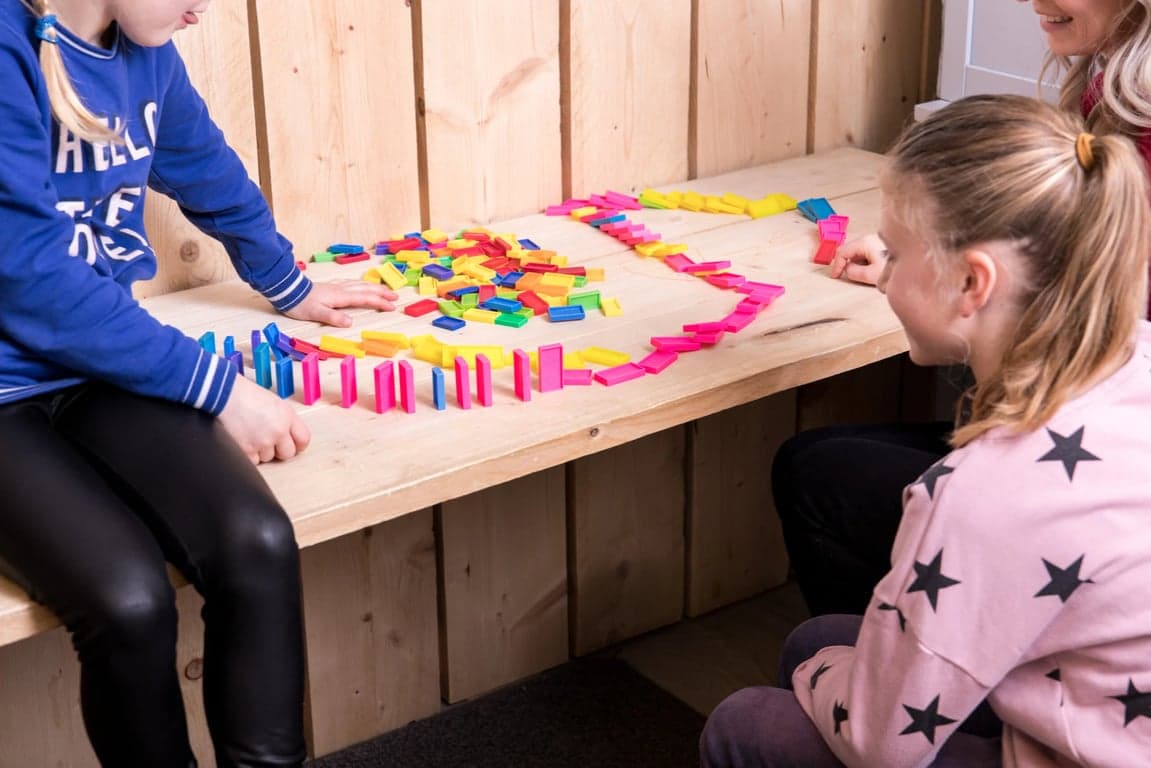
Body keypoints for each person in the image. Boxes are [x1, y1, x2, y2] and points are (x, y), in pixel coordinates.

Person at [0, 1, 398, 765]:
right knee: (129, 602)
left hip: (94, 364)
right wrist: (219, 389)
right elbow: (29, 281)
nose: (202, 8)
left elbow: (202, 163)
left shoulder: (145, 50)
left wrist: (288, 282)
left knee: (257, 541)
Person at [702, 93, 1151, 767]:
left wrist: (816, 679)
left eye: (897, 251)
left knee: (749, 721)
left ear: (972, 281)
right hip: (1108, 711)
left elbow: (877, 743)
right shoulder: (1130, 354)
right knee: (819, 636)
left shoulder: (977, 496)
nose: (886, 276)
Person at [775, 0, 1151, 618]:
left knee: (813, 474)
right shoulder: (1101, 88)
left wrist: (924, 267)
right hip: (1078, 437)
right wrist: (916, 257)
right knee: (816, 458)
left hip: (1079, 467)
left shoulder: (979, 496)